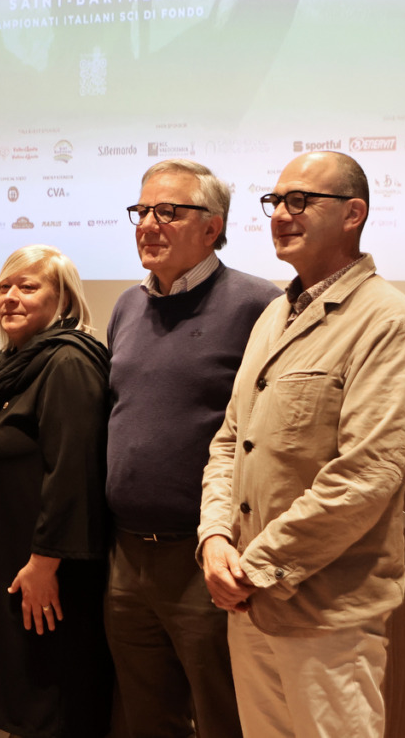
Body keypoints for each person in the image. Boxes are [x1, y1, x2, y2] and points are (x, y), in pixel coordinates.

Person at [199, 150, 405, 738]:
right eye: (275, 201)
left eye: (300, 200)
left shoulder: (388, 320)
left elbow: (365, 475)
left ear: (354, 214)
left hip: (327, 614)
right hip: (249, 602)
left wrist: (256, 567)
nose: (281, 214)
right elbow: (230, 443)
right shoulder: (273, 315)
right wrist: (216, 540)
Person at [104, 159, 279, 738]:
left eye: (168, 212)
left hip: (207, 557)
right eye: (142, 211)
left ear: (212, 226)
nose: (148, 224)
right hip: (127, 557)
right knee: (147, 719)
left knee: (225, 717)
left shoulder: (259, 305)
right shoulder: (128, 306)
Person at [0, 245, 114, 738]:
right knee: (24, 706)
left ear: (63, 299)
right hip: (14, 563)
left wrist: (45, 564)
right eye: (4, 286)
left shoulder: (68, 363)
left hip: (49, 573)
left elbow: (73, 471)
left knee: (52, 707)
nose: (10, 297)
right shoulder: (13, 364)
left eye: (28, 287)